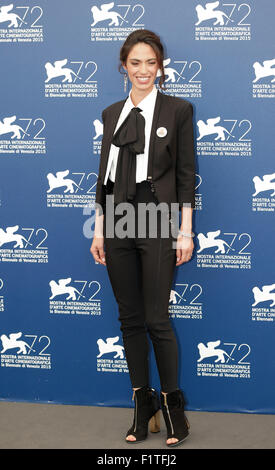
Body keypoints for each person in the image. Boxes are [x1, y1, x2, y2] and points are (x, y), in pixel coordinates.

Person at [90, 29, 196, 447]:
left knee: (156, 318)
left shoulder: (178, 110)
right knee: (129, 318)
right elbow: (105, 177)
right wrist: (99, 227)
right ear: (124, 66)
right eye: (135, 63)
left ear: (160, 66)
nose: (144, 71)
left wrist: (185, 229)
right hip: (117, 214)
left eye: (151, 62)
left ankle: (172, 405)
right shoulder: (111, 113)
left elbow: (186, 174)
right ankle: (141, 402)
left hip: (157, 213)